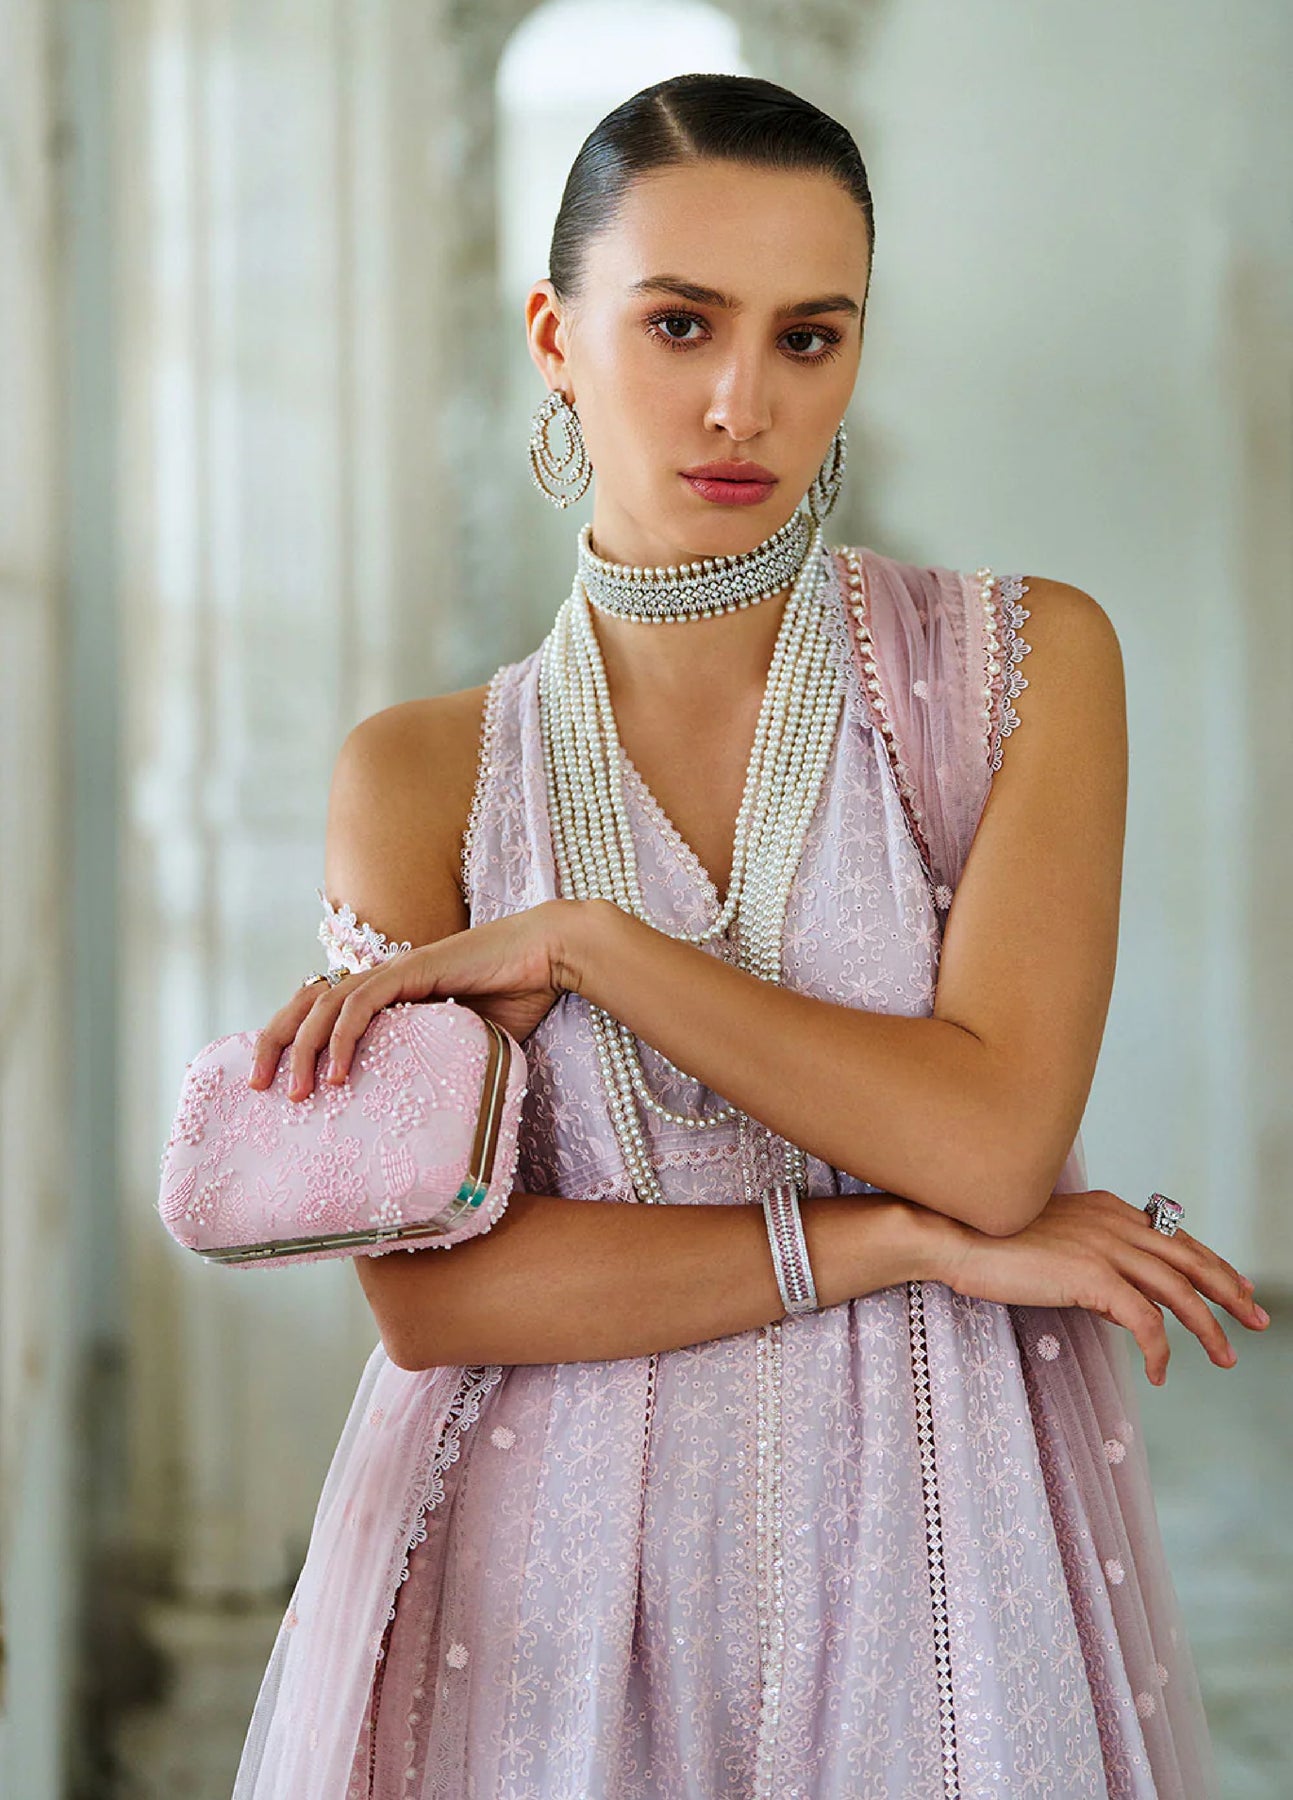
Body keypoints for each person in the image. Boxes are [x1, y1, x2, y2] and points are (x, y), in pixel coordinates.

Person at [233, 73, 1261, 1799]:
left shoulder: (1017, 672)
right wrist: (898, 1243)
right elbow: (437, 1297)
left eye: (807, 337)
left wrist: (592, 947)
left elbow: (992, 1147)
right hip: (535, 1576)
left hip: (929, 1527)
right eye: (678, 324)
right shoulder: (415, 776)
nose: (740, 401)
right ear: (555, 338)